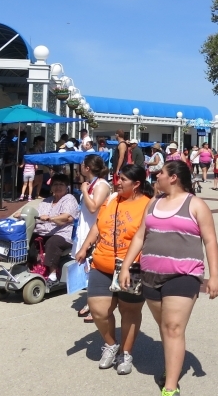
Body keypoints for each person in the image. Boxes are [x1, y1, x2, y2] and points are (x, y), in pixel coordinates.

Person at [119, 160, 218, 396]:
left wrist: (215, 276)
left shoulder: (196, 205)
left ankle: (171, 388)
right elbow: (140, 236)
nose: (157, 176)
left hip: (184, 275)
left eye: (161, 173)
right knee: (165, 327)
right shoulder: (153, 203)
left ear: (173, 177)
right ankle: (172, 365)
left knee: (174, 327)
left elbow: (210, 241)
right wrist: (125, 266)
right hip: (150, 274)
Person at [74, 164, 150, 375]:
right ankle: (110, 344)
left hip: (132, 267)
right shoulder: (111, 200)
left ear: (136, 184)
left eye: (123, 179)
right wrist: (84, 247)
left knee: (129, 311)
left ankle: (126, 352)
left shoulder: (147, 204)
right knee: (98, 310)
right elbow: (98, 226)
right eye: (118, 178)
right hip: (101, 264)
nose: (118, 182)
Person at [15, 173, 78, 284]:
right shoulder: (46, 201)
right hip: (43, 231)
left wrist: (50, 218)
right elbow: (36, 215)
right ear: (51, 187)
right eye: (55, 184)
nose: (58, 187)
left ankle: (53, 275)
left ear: (66, 186)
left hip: (62, 233)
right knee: (27, 238)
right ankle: (29, 265)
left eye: (61, 184)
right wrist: (23, 215)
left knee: (52, 242)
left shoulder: (69, 199)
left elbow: (66, 217)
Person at [75, 155, 112, 323]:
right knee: (87, 270)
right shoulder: (91, 184)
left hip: (96, 231)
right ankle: (91, 302)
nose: (80, 167)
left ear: (88, 168)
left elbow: (93, 207)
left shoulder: (101, 185)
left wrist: (83, 190)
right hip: (84, 230)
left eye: (82, 164)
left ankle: (98, 306)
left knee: (95, 270)